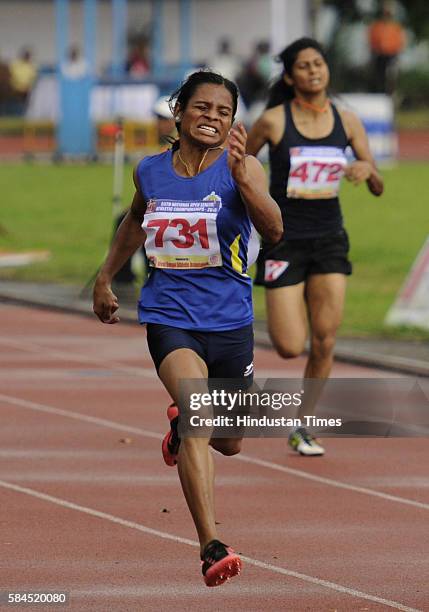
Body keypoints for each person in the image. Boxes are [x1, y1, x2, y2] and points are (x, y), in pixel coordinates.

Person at [93, 70, 282, 585]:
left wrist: (245, 184)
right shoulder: (150, 171)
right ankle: (210, 545)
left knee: (232, 440)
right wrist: (105, 276)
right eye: (202, 108)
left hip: (231, 322)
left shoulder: (244, 168)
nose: (212, 118)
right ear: (178, 112)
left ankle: (178, 426)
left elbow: (274, 229)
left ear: (233, 122)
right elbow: (134, 221)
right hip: (170, 318)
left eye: (223, 112)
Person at [246, 38, 384, 456]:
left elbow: (376, 184)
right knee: (290, 345)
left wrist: (367, 169)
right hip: (283, 238)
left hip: (329, 240)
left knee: (325, 341)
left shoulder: (349, 121)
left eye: (318, 63)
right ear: (290, 76)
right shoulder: (272, 121)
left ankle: (304, 425)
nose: (313, 71)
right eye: (303, 66)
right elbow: (241, 169)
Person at [368, 2, 406, 94]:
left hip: (392, 56)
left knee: (391, 77)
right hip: (379, 55)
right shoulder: (376, 26)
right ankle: (378, 94)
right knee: (378, 77)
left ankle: (390, 94)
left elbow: (400, 43)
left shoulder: (396, 28)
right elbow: (372, 42)